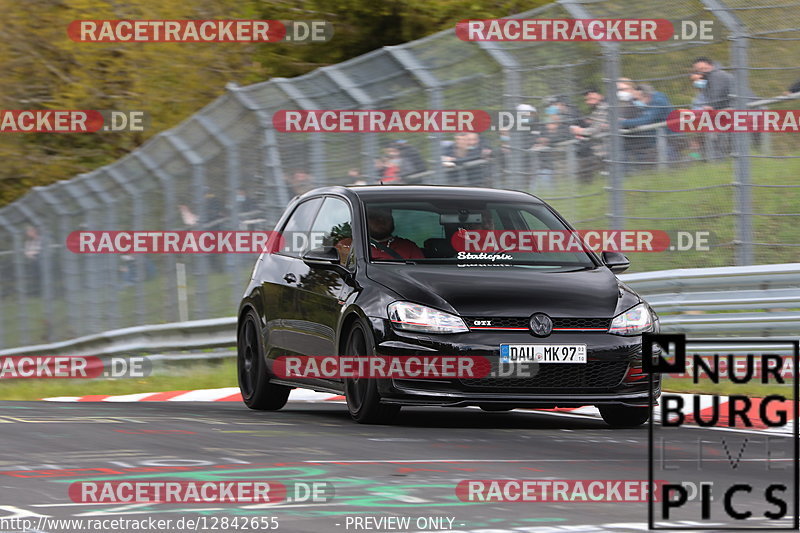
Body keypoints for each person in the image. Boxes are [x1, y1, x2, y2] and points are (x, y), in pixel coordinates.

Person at [571, 88, 609, 182]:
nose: (589, 102)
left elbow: (596, 130)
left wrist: (580, 131)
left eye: (591, 98)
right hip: (600, 149)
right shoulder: (597, 110)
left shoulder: (604, 108)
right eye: (587, 100)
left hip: (606, 149)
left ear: (599, 95)